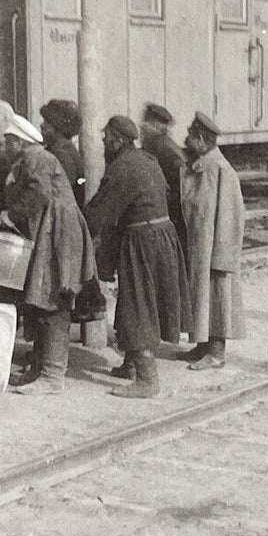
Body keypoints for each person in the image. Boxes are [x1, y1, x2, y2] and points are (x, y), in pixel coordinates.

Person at [86, 114, 190, 399]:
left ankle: (147, 379)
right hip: (161, 237)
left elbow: (99, 213)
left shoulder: (122, 168)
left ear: (118, 140)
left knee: (138, 303)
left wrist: (80, 224)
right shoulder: (146, 159)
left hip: (142, 241)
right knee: (138, 299)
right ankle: (132, 364)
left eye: (107, 137)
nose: (104, 142)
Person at [0, 111, 97, 395]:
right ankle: (39, 369)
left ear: (20, 142)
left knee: (54, 297)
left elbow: (39, 194)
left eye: (9, 141)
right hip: (51, 229)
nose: (6, 147)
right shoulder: (31, 159)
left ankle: (53, 377)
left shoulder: (36, 157)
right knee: (42, 297)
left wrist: (11, 216)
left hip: (59, 231)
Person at [179, 111, 246, 369]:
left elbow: (232, 215)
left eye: (189, 136)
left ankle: (216, 353)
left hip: (215, 248)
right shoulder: (203, 165)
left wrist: (223, 254)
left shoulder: (220, 169)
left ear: (200, 139)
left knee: (217, 297)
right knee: (201, 295)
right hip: (200, 246)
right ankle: (202, 346)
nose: (185, 140)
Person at [139, 101, 188, 251]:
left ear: (155, 127)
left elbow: (179, 189)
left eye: (144, 127)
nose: (141, 131)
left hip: (171, 218)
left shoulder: (163, 149)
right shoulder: (163, 145)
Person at [39, 98, 87, 209]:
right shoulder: (60, 151)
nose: (42, 125)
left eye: (48, 122)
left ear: (59, 128)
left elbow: (51, 197)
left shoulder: (63, 157)